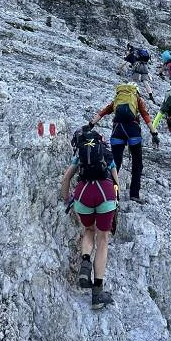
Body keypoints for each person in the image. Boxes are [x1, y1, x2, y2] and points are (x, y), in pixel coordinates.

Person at [62, 126, 120, 309]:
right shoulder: (107, 154)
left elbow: (66, 178)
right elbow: (116, 181)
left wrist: (66, 198)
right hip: (105, 194)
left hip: (83, 194)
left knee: (88, 230)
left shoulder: (80, 155)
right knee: (102, 239)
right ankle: (97, 294)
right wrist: (116, 201)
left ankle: (85, 261)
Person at [89, 82, 159, 203]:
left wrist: (90, 124)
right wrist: (154, 133)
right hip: (133, 131)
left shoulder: (118, 100)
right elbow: (146, 116)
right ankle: (134, 194)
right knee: (137, 163)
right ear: (136, 92)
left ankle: (113, 193)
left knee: (115, 163)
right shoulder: (137, 99)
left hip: (118, 130)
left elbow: (102, 112)